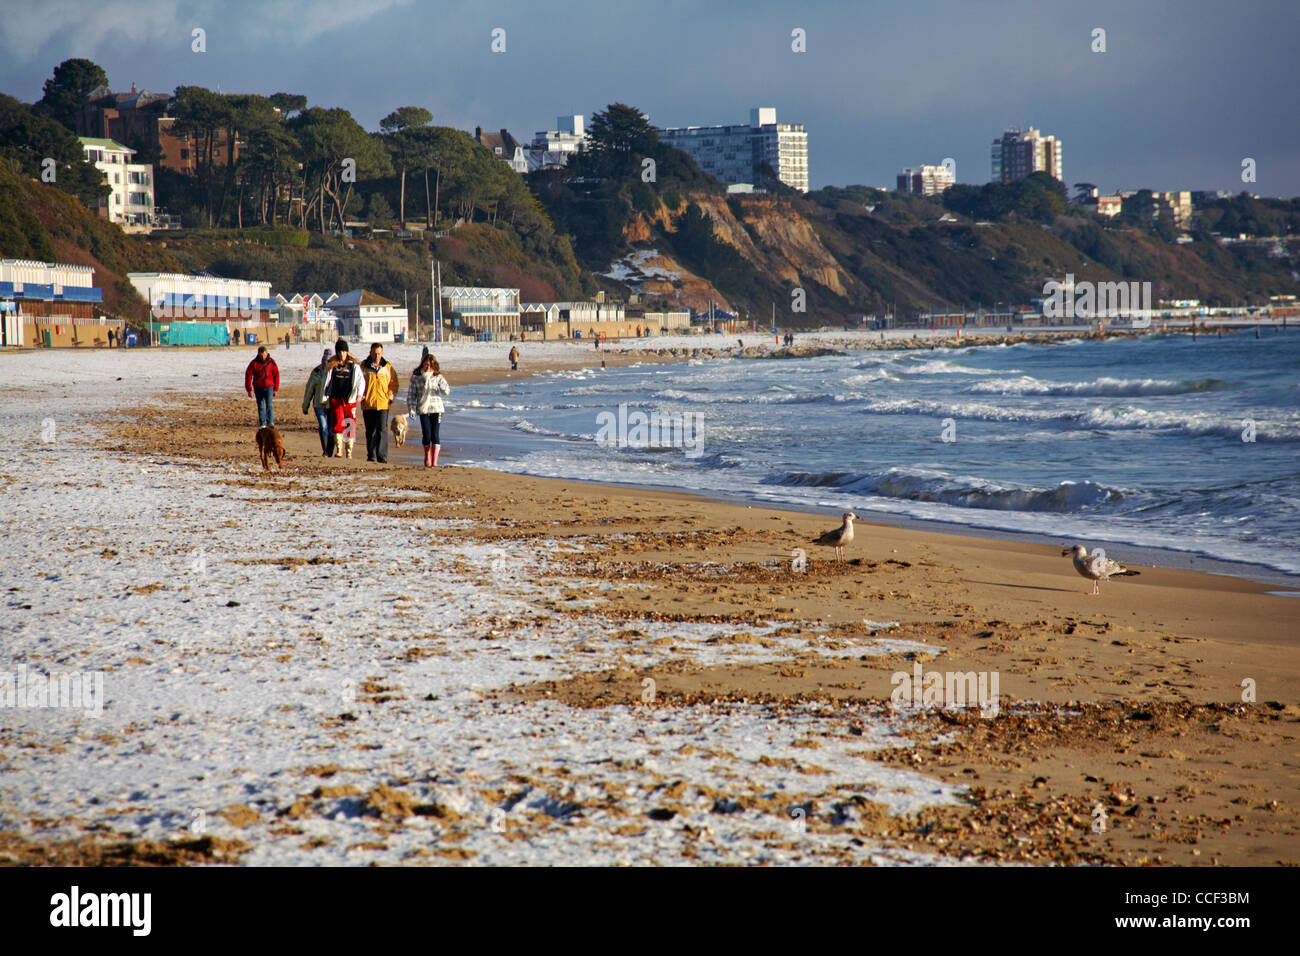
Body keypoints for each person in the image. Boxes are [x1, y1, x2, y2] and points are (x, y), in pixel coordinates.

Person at [323, 339, 365, 458]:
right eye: (340, 351)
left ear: (347, 352)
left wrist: (360, 395)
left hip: (350, 400)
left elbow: (361, 381)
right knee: (337, 423)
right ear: (337, 352)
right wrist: (323, 399)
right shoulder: (332, 366)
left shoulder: (354, 367)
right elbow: (325, 383)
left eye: (344, 351)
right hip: (336, 399)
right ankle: (339, 449)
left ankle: (349, 450)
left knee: (350, 423)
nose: (342, 354)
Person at [408, 353, 450, 467]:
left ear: (434, 365)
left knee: (435, 435)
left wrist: (443, 387)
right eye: (426, 364)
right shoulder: (416, 377)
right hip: (423, 409)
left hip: (436, 408)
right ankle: (427, 456)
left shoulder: (438, 376)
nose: (428, 367)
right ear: (422, 364)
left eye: (430, 365)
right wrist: (411, 410)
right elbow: (412, 395)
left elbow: (447, 391)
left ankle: (434, 461)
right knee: (427, 434)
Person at [359, 341, 399, 463]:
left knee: (382, 429)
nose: (377, 356)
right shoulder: (363, 367)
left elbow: (394, 383)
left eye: (379, 353)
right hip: (368, 403)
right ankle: (371, 455)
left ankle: (382, 456)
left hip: (383, 403)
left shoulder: (387, 367)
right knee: (370, 431)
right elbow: (358, 382)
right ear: (370, 353)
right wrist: (361, 395)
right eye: (375, 353)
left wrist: (390, 396)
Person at [302, 348, 334, 456]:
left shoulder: (334, 372)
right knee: (323, 426)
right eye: (324, 362)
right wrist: (305, 406)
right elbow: (309, 389)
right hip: (318, 405)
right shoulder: (316, 372)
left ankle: (329, 450)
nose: (326, 365)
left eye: (328, 362)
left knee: (331, 429)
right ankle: (325, 450)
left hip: (331, 405)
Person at [245, 345, 280, 426]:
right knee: (261, 406)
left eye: (264, 355)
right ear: (258, 354)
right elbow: (248, 375)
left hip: (269, 387)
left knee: (269, 405)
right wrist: (249, 389)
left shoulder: (271, 362)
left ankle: (270, 422)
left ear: (266, 353)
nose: (263, 357)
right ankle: (262, 424)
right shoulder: (254, 363)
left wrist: (276, 389)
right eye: (261, 355)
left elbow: (276, 375)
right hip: (258, 388)